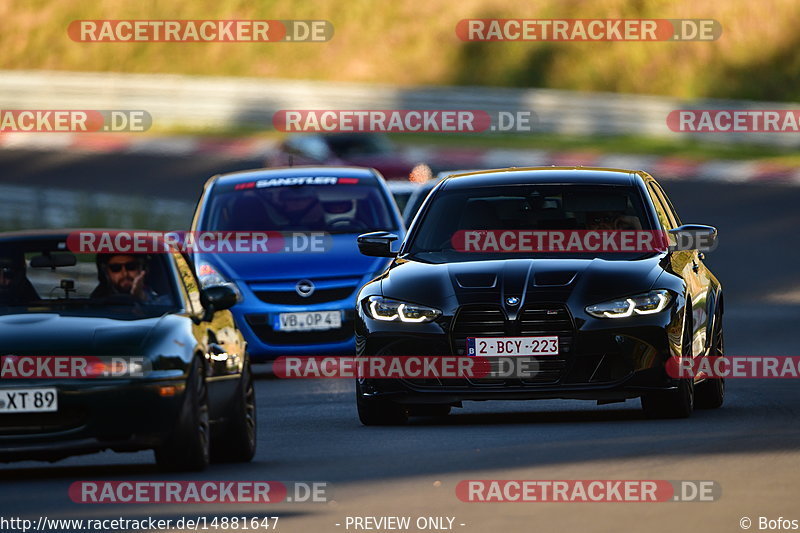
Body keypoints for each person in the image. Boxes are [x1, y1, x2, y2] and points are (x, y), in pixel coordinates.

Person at [91, 253, 159, 303]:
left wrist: (142, 297)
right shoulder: (97, 299)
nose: (125, 274)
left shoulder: (159, 295)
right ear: (106, 272)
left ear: (142, 269)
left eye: (131, 266)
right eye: (116, 268)